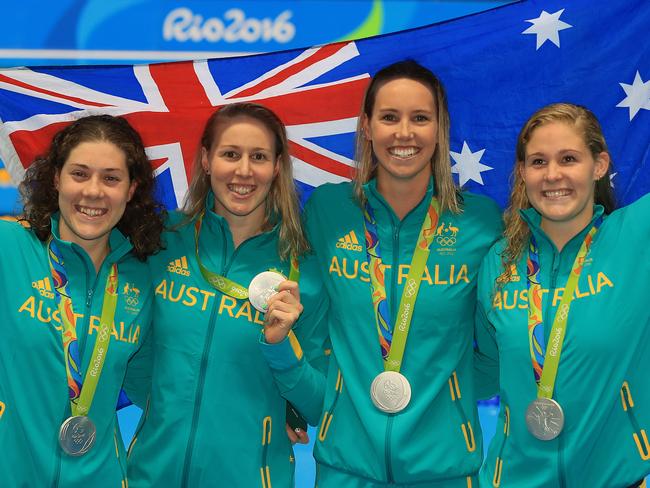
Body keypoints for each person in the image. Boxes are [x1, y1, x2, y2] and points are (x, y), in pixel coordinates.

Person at [303, 60, 502, 487]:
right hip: (344, 467)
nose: (404, 133)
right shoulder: (327, 212)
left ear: (441, 127)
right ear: (367, 127)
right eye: (389, 117)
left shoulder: (481, 223)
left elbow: (501, 342)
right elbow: (308, 323)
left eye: (420, 118)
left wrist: (449, 402)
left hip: (444, 469)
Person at [125, 102, 328, 487]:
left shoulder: (305, 271)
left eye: (259, 157)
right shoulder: (162, 241)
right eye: (230, 154)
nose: (244, 171)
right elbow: (132, 350)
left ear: (278, 166)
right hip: (150, 474)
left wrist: (282, 351)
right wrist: (165, 411)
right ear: (206, 160)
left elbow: (319, 406)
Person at [475, 103, 650, 487]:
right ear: (522, 172)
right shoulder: (497, 264)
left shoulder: (638, 236)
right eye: (538, 162)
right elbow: (485, 369)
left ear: (599, 165)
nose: (553, 175)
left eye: (569, 158)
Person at [0, 114, 165, 487]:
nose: (94, 191)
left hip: (102, 476)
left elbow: (159, 387)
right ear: (56, 178)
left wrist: (262, 402)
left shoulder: (140, 277)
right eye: (79, 174)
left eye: (111, 178)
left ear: (131, 188)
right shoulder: (9, 248)